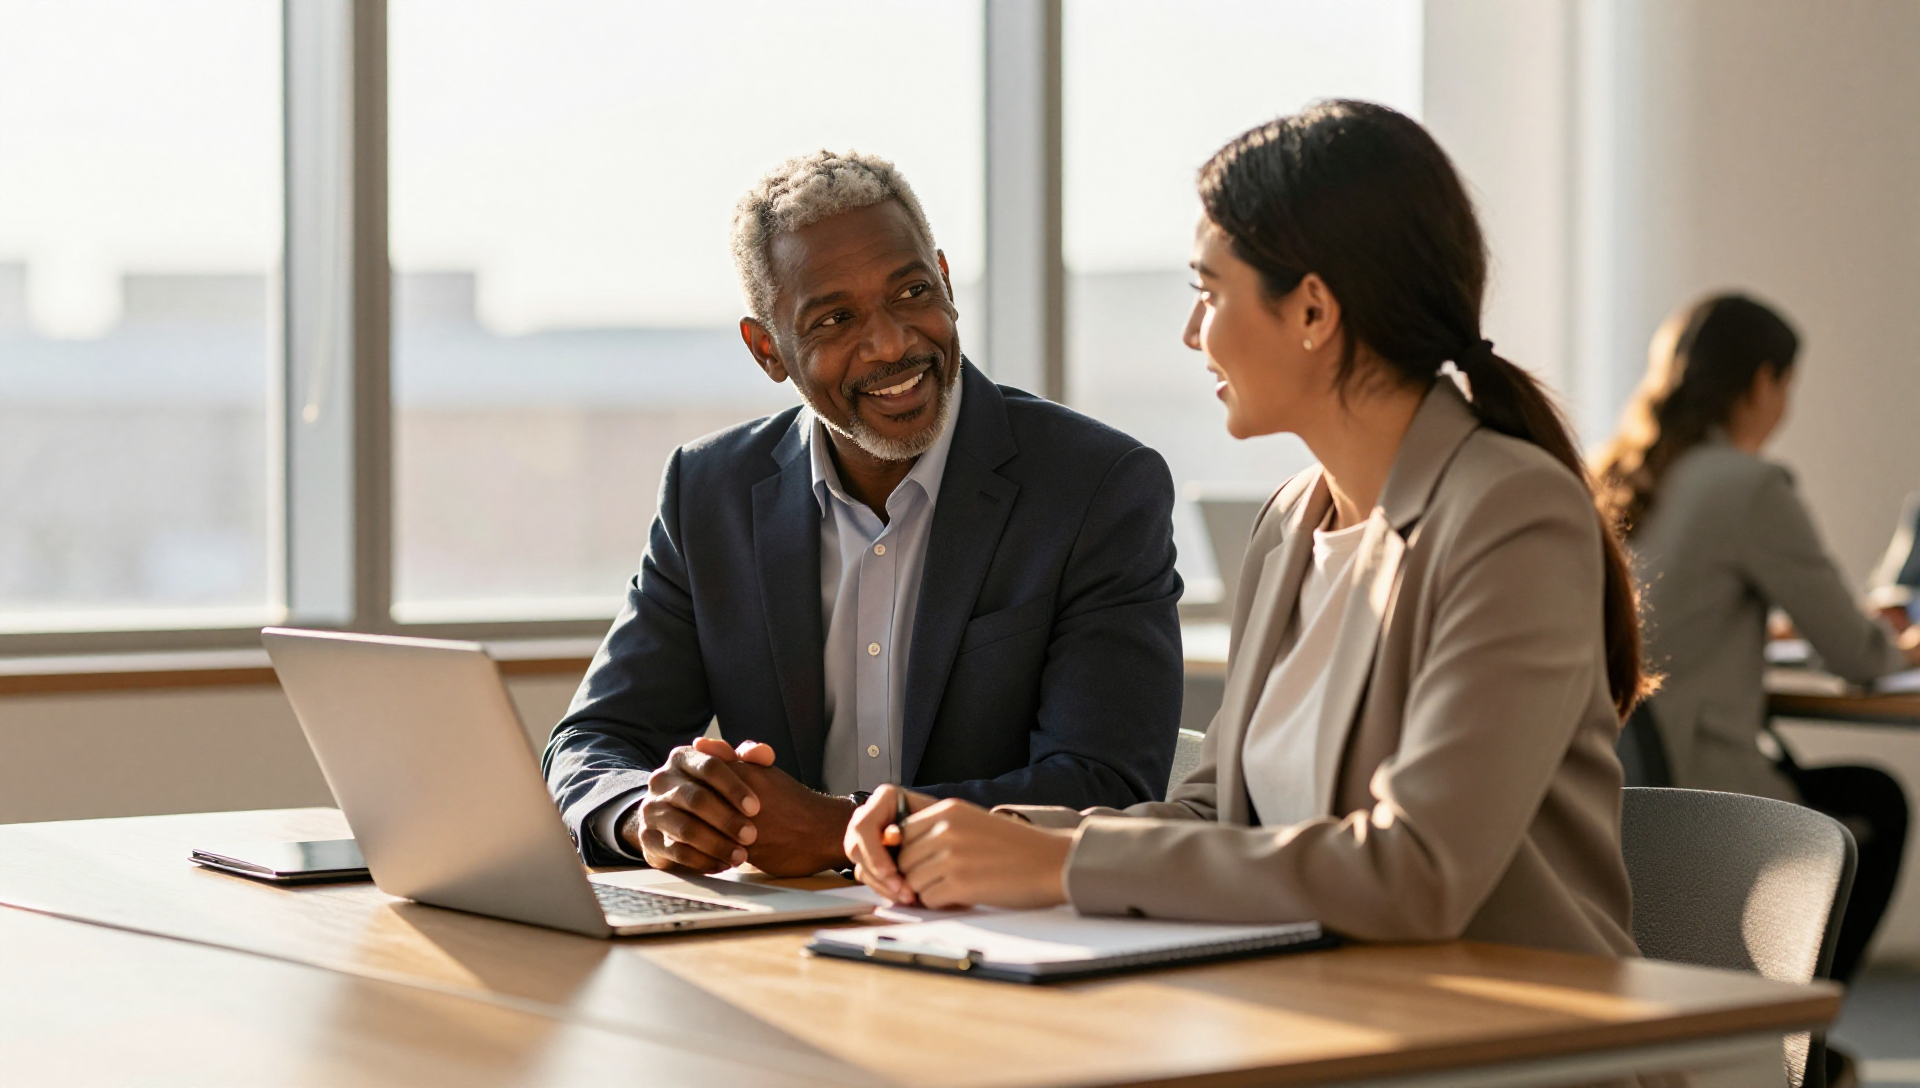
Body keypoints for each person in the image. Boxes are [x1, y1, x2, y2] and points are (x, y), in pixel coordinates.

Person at [844, 101, 1646, 958]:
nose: (1193, 332)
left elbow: (1418, 871)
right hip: (1319, 1015)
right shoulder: (1293, 520)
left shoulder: (1511, 515)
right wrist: (982, 835)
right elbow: (1216, 812)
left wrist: (1059, 866)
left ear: (1312, 312)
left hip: (1519, 1040)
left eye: (1208, 291)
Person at [542, 150, 1184, 878]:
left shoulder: (1097, 486)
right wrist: (648, 816)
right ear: (767, 351)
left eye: (912, 291)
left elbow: (1108, 787)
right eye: (835, 318)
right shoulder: (710, 491)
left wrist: (838, 829)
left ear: (945, 280)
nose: (891, 343)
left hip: (1007, 937)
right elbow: (591, 741)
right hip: (775, 939)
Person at [1593, 293, 1920, 984]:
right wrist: (1907, 643)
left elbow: (1672, 612)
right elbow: (1856, 654)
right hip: (1702, 784)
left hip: (1623, 779)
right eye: (1787, 386)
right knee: (1878, 802)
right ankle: (1803, 1033)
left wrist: (1760, 625)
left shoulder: (1617, 473)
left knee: (1835, 781)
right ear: (1763, 382)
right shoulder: (1746, 483)